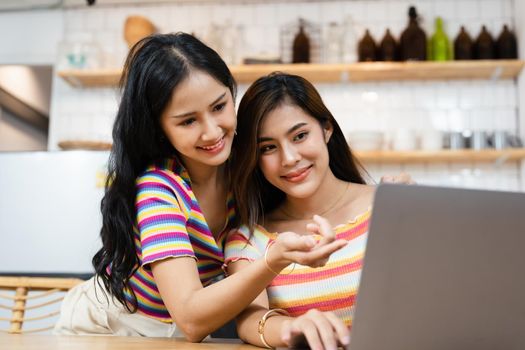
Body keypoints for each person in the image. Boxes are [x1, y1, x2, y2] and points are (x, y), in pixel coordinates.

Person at [54, 33, 348, 340]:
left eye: (219, 107)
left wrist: (394, 196)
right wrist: (273, 261)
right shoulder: (159, 188)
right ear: (161, 129)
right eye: (187, 121)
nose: (212, 132)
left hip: (174, 332)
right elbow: (192, 317)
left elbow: (306, 183)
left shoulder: (242, 169)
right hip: (109, 327)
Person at [224, 72, 397, 349]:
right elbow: (249, 319)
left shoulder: (389, 207)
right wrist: (292, 327)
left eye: (300, 135)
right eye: (268, 148)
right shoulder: (248, 240)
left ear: (326, 129)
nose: (289, 158)